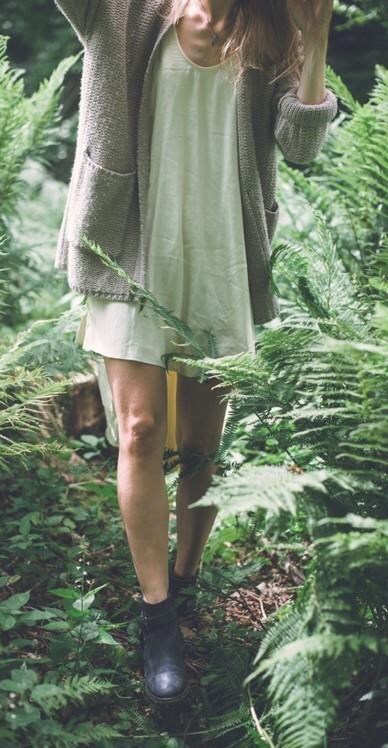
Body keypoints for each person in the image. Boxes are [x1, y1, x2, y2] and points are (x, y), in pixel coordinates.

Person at [53, 0, 337, 704]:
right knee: (142, 430)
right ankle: (157, 620)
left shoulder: (272, 25)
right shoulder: (118, 11)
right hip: (129, 248)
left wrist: (316, 35)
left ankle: (184, 579)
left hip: (221, 257)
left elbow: (301, 146)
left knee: (203, 445)